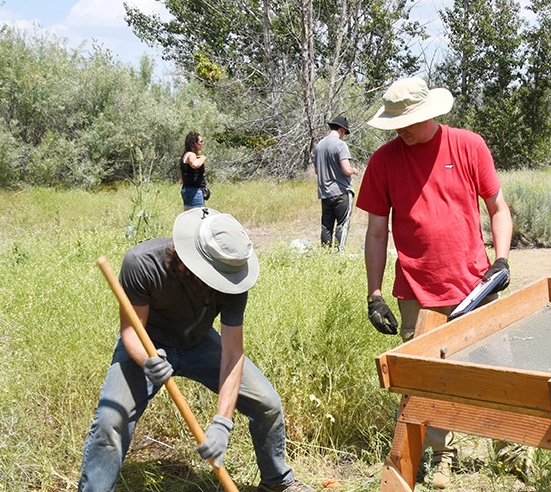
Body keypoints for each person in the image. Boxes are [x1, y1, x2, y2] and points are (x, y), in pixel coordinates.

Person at [79, 207, 314, 492]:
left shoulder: (232, 278)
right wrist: (146, 361)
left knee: (267, 403)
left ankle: (277, 482)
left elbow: (232, 353)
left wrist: (222, 423)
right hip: (148, 343)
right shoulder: (141, 263)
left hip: (200, 341)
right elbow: (130, 331)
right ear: (188, 261)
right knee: (110, 420)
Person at [356, 77, 513, 488]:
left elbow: (498, 207)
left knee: (503, 369)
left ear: (430, 113)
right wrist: (373, 293)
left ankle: (514, 456)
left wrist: (501, 259)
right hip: (417, 290)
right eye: (395, 124)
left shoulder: (467, 145)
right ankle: (441, 457)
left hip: (476, 283)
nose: (401, 130)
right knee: (428, 381)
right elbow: (376, 231)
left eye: (407, 121)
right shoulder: (383, 161)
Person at [314, 115, 359, 247]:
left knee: (326, 226)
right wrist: (353, 170)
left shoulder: (319, 145)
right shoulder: (340, 145)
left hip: (325, 193)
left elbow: (317, 171)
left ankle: (325, 253)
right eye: (344, 132)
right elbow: (346, 169)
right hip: (341, 191)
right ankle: (339, 254)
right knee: (342, 224)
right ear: (341, 129)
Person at [180, 131, 208, 210]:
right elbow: (194, 165)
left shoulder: (185, 156)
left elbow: (182, 177)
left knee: (189, 218)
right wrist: (203, 158)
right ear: (194, 143)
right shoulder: (191, 155)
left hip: (186, 190)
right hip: (195, 192)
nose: (203, 143)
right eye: (201, 141)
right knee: (198, 217)